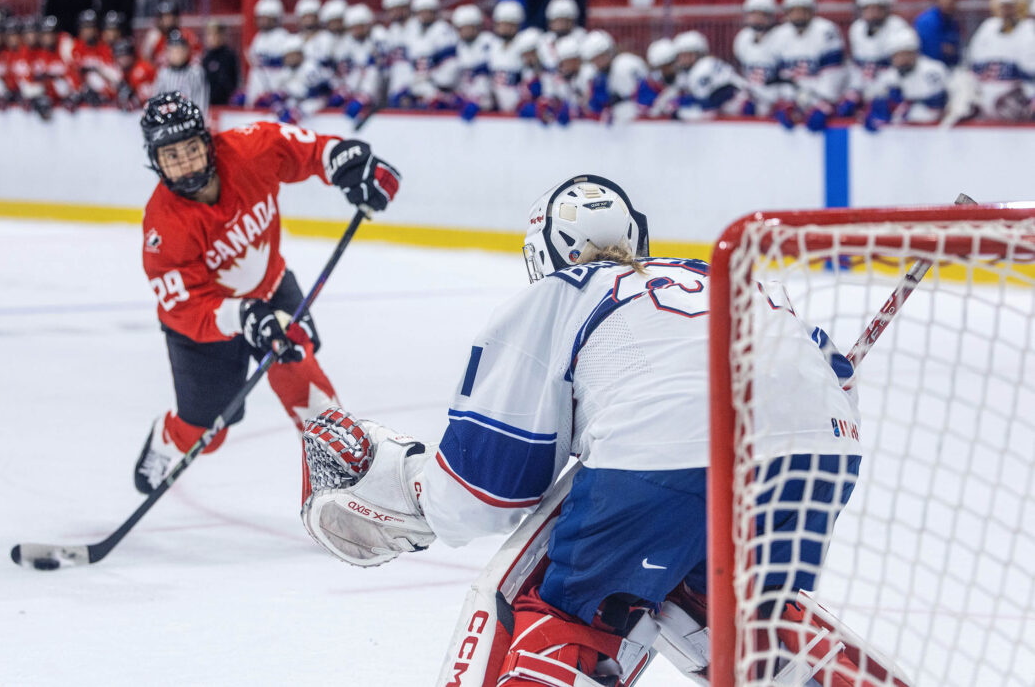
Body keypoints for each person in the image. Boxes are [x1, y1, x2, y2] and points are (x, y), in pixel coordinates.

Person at [300, 174, 867, 685]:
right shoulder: (723, 278)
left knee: (567, 611)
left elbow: (486, 490)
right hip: (820, 460)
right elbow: (836, 376)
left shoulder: (559, 293)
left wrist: (418, 497)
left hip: (666, 454)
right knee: (727, 599)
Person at [132, 92, 401, 494]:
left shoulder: (249, 149)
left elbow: (312, 151)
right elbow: (184, 307)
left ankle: (340, 493)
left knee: (308, 389)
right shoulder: (162, 228)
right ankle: (167, 437)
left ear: (208, 141)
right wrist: (241, 316)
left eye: (191, 148)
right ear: (156, 162)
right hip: (207, 329)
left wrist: (349, 163)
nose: (186, 162)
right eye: (172, 156)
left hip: (272, 292)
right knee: (208, 433)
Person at [771, 0, 847, 132]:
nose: (798, 15)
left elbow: (834, 74)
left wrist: (824, 104)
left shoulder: (826, 31)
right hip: (796, 100)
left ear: (812, 11)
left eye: (802, 10)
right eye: (794, 10)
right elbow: (781, 75)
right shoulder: (780, 35)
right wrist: (786, 101)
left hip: (821, 100)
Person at [965, 0, 1035, 120]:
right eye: (1004, 6)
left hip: (1017, 104)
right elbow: (972, 65)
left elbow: (1030, 75)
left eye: (1011, 7)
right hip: (985, 103)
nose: (1007, 11)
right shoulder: (987, 27)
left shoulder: (1029, 30)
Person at [840, 0, 909, 117]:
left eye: (878, 8)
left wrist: (885, 93)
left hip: (893, 91)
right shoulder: (856, 29)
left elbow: (903, 67)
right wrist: (854, 92)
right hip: (867, 91)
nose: (873, 13)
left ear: (886, 9)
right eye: (869, 8)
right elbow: (858, 66)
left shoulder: (898, 27)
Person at [863, 28, 949, 131]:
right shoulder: (888, 77)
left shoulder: (933, 70)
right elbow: (874, 109)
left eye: (906, 54)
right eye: (898, 55)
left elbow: (936, 108)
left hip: (934, 131)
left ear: (915, 52)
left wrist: (907, 103)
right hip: (903, 137)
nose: (903, 59)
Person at [733, 0, 781, 116]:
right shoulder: (742, 38)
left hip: (777, 100)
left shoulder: (782, 37)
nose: (757, 19)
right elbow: (743, 73)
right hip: (754, 98)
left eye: (762, 14)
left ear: (771, 16)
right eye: (753, 14)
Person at [452, 4, 499, 120]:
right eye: (463, 28)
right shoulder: (456, 47)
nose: (467, 31)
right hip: (465, 102)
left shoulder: (489, 43)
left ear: (478, 27)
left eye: (470, 27)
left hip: (489, 103)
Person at [244, 0, 292, 105]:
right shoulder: (258, 37)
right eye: (260, 18)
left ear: (276, 18)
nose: (262, 21)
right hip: (257, 84)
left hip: (275, 86)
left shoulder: (283, 37)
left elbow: (287, 67)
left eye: (266, 18)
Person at [152, 30, 208, 113]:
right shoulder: (163, 74)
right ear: (167, 52)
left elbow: (201, 102)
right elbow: (156, 100)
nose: (176, 54)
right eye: (173, 50)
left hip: (191, 120)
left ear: (187, 51)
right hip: (167, 121)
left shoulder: (196, 73)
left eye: (179, 50)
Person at [914, 0, 961, 67]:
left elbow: (955, 52)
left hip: (949, 68)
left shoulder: (953, 21)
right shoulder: (927, 21)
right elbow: (932, 53)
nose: (949, 0)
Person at [202, 21, 239, 105]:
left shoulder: (229, 56)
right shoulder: (206, 57)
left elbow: (233, 82)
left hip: (225, 103)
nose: (211, 38)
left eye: (214, 34)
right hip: (208, 102)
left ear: (222, 36)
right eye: (209, 35)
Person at [113, 38, 156, 110]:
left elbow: (149, 97)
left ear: (132, 55)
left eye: (125, 55)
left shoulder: (142, 69)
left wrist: (134, 96)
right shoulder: (125, 71)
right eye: (120, 56)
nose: (123, 60)